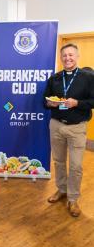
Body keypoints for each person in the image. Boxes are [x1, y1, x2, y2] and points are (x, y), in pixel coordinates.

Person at [44, 43, 94, 217]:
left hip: (77, 128)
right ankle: (61, 189)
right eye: (64, 55)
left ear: (77, 57)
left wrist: (77, 103)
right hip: (56, 124)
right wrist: (50, 103)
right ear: (61, 58)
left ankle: (73, 198)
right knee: (58, 161)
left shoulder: (88, 77)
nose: (68, 58)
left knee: (76, 165)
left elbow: (93, 101)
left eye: (71, 55)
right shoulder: (55, 78)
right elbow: (45, 101)